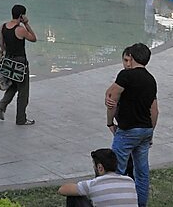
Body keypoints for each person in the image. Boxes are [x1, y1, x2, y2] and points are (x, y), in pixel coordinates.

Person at [106, 43, 158, 207]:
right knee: (141, 173)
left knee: (116, 172)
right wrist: (150, 133)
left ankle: (115, 203)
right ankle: (140, 204)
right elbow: (155, 111)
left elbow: (111, 99)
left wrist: (110, 122)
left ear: (132, 58)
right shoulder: (151, 80)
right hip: (145, 130)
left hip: (127, 130)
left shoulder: (126, 76)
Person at [0, 4, 37, 126]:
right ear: (21, 16)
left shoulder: (3, 27)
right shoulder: (20, 29)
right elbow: (33, 38)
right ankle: (21, 119)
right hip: (20, 62)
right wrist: (26, 24)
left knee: (13, 85)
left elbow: (1, 44)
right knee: (23, 91)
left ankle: (2, 105)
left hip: (8, 60)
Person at [58, 148, 138, 207]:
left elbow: (62, 190)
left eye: (94, 166)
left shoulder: (94, 184)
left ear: (100, 167)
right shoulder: (130, 181)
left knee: (74, 196)